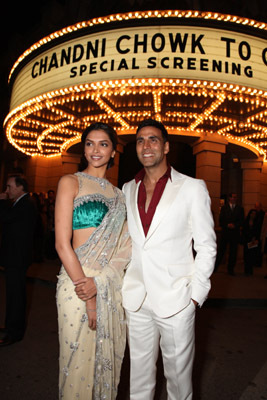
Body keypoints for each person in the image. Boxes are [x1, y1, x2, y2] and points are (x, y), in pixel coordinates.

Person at [122, 119, 216, 400]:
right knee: (138, 377)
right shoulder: (128, 188)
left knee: (178, 381)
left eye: (152, 139)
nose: (146, 145)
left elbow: (207, 245)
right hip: (137, 299)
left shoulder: (192, 187)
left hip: (177, 299)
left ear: (165, 147)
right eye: (140, 140)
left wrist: (195, 296)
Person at [55, 122, 131, 399]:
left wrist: (101, 283)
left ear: (113, 151)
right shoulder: (70, 181)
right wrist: (88, 294)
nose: (95, 150)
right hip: (76, 284)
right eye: (89, 143)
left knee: (104, 363)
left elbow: (125, 247)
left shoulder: (121, 196)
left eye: (103, 144)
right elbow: (62, 244)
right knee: (76, 366)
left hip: (108, 285)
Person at [0, 175, 37, 346]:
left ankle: (14, 332)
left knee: (16, 296)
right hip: (14, 257)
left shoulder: (26, 204)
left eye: (9, 187)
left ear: (20, 187)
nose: (7, 191)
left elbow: (5, 218)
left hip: (17, 258)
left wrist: (1, 201)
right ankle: (10, 327)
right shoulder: (21, 203)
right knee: (13, 294)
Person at [215, 192, 244, 275]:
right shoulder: (224, 208)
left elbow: (242, 221)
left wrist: (235, 225)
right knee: (221, 251)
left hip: (235, 233)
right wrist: (227, 225)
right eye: (233, 197)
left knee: (233, 252)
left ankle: (230, 269)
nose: (235, 199)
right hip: (225, 233)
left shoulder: (240, 209)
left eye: (236, 197)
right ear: (229, 198)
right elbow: (221, 220)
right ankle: (215, 267)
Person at [242, 209, 261, 276]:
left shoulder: (257, 222)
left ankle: (250, 270)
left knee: (251, 255)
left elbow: (258, 231)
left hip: (253, 241)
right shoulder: (246, 221)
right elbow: (244, 231)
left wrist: (255, 238)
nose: (253, 215)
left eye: (254, 214)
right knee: (246, 255)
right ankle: (246, 270)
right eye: (252, 213)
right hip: (246, 240)